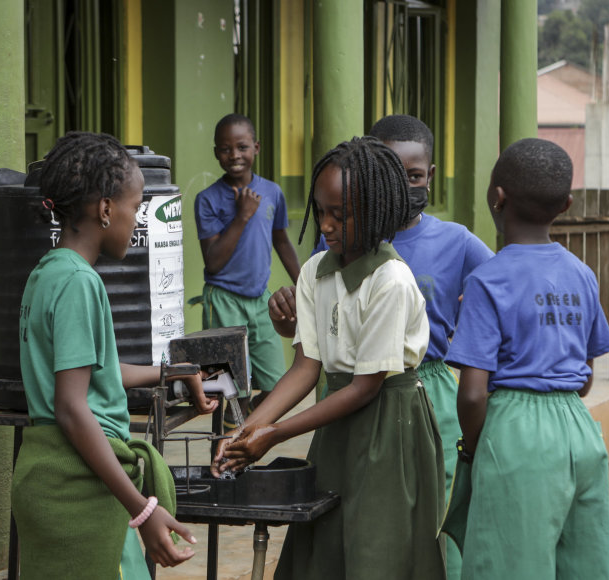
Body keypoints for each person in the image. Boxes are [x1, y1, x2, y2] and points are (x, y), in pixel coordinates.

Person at [268, 114, 492, 580]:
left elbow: (497, 294)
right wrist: (258, 423)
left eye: (413, 174)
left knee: (399, 533)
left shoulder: (431, 254)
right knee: (332, 531)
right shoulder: (322, 264)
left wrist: (474, 345)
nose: (326, 225)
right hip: (338, 400)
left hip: (410, 395)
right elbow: (310, 357)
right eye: (321, 212)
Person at [214, 136, 447, 579]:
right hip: (336, 423)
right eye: (320, 211)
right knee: (326, 544)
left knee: (379, 544)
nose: (326, 224)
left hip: (390, 424)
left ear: (377, 209)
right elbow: (305, 367)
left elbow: (366, 387)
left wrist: (276, 435)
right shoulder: (315, 272)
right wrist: (247, 431)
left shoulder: (390, 280)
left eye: (340, 214)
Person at [10, 132, 218, 578]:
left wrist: (166, 374)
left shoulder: (46, 273)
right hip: (80, 483)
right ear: (106, 209)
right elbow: (71, 407)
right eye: (137, 207)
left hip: (49, 475)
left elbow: (92, 373)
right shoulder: (78, 283)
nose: (138, 218)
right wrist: (142, 510)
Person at [445, 138, 609, 579]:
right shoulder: (582, 273)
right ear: (566, 204)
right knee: (581, 564)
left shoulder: (488, 280)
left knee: (508, 565)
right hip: (580, 433)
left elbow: (471, 393)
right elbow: (585, 377)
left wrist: (475, 446)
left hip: (516, 435)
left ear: (496, 197)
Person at [194, 114, 301, 421]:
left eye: (242, 147)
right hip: (223, 300)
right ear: (216, 153)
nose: (235, 155)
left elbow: (281, 241)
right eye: (226, 149)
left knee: (277, 383)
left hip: (260, 300)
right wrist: (242, 216)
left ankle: (240, 420)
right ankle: (232, 441)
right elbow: (213, 262)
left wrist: (305, 282)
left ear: (256, 148)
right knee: (231, 386)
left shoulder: (273, 193)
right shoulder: (207, 199)